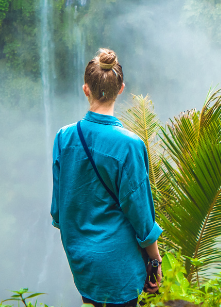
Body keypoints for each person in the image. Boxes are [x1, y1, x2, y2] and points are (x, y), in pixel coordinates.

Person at [51, 48, 163, 306]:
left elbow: (59, 210)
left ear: (86, 89)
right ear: (121, 89)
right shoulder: (129, 145)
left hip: (82, 263)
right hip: (119, 266)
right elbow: (142, 216)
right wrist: (154, 261)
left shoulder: (63, 137)